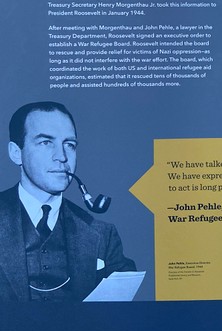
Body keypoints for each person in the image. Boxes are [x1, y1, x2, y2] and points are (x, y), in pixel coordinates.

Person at [0, 102, 136, 301]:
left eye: (69, 145)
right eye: (46, 142)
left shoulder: (102, 235)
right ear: (15, 152)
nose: (62, 157)